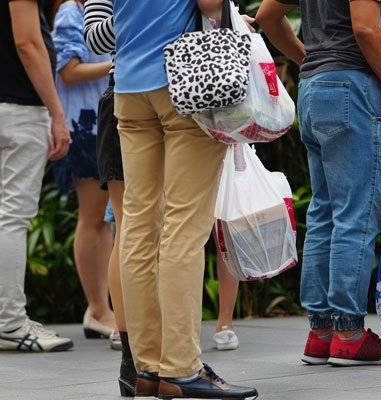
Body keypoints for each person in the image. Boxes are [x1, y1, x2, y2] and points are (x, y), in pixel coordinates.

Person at [257, 0, 381, 366]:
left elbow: (268, 15)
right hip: (356, 89)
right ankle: (348, 333)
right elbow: (366, 27)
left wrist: (311, 59)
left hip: (315, 88)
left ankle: (322, 332)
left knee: (326, 213)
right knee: (356, 213)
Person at [112, 0, 257, 397]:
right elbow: (211, 5)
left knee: (139, 227)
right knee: (184, 227)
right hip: (186, 83)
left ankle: (147, 366)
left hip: (128, 88)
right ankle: (181, 368)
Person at [0, 0, 72, 352]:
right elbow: (27, 41)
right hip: (18, 109)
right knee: (12, 217)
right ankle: (9, 324)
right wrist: (57, 112)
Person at [51, 0, 116, 344]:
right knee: (92, 219)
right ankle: (97, 308)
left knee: (103, 220)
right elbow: (67, 69)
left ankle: (101, 308)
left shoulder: (96, 10)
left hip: (101, 125)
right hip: (83, 127)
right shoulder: (70, 12)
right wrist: (114, 65)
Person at [83, 0, 136, 395]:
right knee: (129, 225)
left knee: (161, 227)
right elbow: (95, 37)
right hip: (124, 95)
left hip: (175, 93)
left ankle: (155, 342)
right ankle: (131, 345)